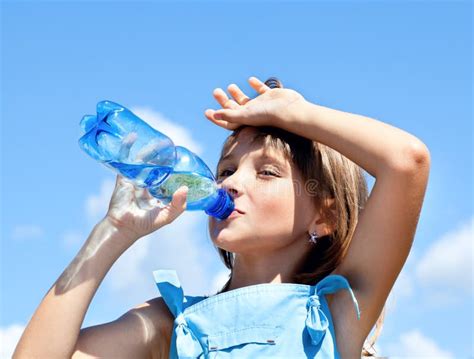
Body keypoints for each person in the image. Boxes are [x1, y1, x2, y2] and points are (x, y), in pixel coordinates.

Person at [14, 76, 431, 358]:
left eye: (266, 172)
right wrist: (112, 233)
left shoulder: (337, 313)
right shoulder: (171, 322)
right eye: (226, 170)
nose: (230, 184)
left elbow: (406, 162)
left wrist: (292, 114)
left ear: (324, 217)